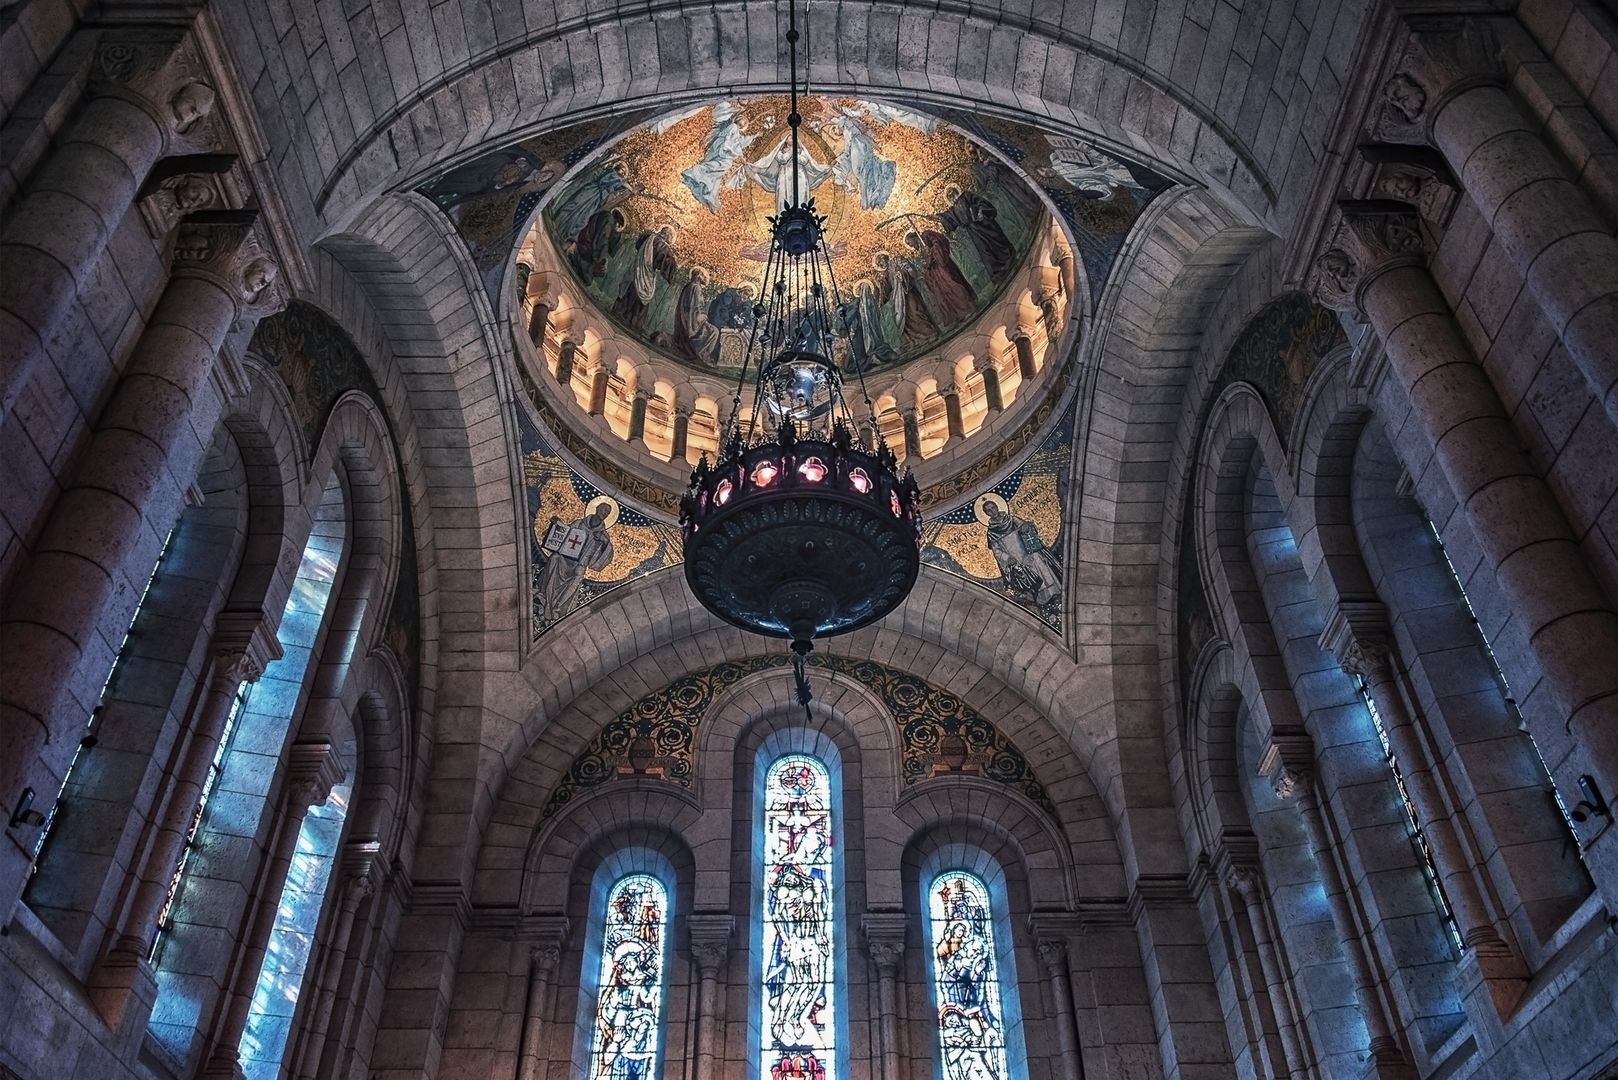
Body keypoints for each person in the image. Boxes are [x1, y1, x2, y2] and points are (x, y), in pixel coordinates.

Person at [534, 501, 615, 626]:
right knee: (555, 558)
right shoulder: (579, 523)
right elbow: (565, 534)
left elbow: (601, 560)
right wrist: (557, 525)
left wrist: (604, 544)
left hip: (579, 564)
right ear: (597, 508)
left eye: (608, 513)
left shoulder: (603, 536)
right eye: (604, 510)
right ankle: (543, 595)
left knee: (578, 576)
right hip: (565, 558)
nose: (605, 514)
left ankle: (558, 608)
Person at [982, 500, 1061, 607]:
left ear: (997, 507)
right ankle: (1043, 600)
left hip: (1028, 552)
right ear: (987, 514)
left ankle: (1055, 592)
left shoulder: (1012, 519)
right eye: (989, 510)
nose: (992, 511)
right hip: (1015, 559)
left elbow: (1027, 526)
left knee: (1038, 560)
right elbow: (997, 551)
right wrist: (1006, 558)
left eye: (993, 507)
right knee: (1026, 575)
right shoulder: (992, 532)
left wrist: (1026, 527)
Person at [939, 183, 1014, 278]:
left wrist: (981, 211)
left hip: (983, 224)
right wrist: (939, 218)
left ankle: (1008, 258)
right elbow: (949, 221)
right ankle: (998, 272)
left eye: (952, 192)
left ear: (956, 191)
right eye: (949, 195)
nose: (951, 195)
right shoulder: (953, 210)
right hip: (973, 231)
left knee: (996, 241)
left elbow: (981, 202)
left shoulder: (966, 196)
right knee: (985, 250)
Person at [613, 225, 678, 331]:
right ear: (668, 236)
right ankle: (631, 323)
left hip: (635, 269)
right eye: (671, 237)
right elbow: (666, 263)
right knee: (640, 298)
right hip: (645, 276)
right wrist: (673, 273)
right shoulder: (662, 245)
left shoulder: (648, 236)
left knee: (628, 291)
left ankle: (618, 313)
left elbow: (637, 245)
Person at [904, 228, 976, 320]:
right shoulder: (920, 248)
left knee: (952, 285)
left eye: (909, 242)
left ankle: (967, 308)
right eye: (908, 245)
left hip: (941, 267)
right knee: (944, 293)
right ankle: (959, 314)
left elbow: (940, 241)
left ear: (913, 237)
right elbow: (927, 261)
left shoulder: (926, 235)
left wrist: (933, 251)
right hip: (935, 274)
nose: (911, 246)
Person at [672, 266, 722, 365]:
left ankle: (701, 354)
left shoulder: (690, 285)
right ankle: (701, 354)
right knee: (714, 331)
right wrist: (704, 318)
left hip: (690, 319)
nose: (705, 278)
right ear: (699, 276)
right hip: (692, 321)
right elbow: (694, 308)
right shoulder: (696, 287)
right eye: (704, 276)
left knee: (713, 330)